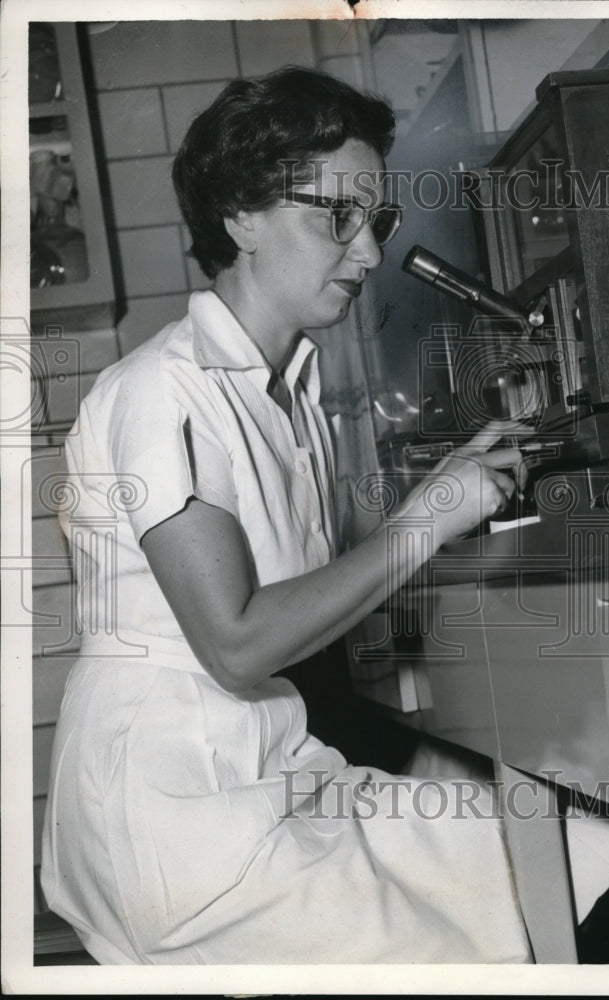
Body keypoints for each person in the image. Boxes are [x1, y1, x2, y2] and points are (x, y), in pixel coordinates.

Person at [40, 67, 533, 965]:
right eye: (334, 216)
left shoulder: (291, 394)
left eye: (373, 220)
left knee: (536, 848)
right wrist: (429, 518)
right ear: (240, 216)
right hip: (179, 823)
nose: (369, 253)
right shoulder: (163, 391)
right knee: (473, 932)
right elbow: (235, 642)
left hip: (271, 773)